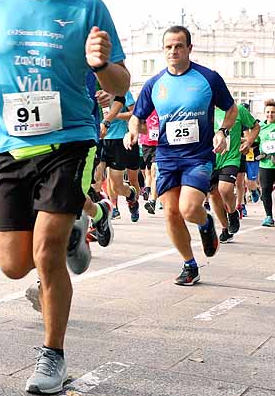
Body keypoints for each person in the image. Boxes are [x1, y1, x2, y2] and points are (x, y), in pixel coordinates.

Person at [0, 0, 129, 394]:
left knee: (46, 250)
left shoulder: (88, 7)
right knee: (14, 264)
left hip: (70, 141)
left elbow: (121, 81)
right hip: (11, 145)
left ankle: (52, 355)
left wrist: (101, 66)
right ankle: (80, 230)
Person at [129, 25, 236, 286]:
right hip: (166, 156)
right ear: (163, 50)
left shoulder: (208, 78)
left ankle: (206, 222)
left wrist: (222, 131)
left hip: (198, 156)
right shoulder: (154, 84)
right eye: (168, 46)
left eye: (179, 46)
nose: (173, 51)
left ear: (189, 48)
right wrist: (132, 131)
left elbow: (231, 109)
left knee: (189, 209)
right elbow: (136, 116)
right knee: (171, 213)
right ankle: (190, 265)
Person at [208, 98, 257, 241]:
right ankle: (225, 228)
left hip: (231, 158)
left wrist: (248, 142)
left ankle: (232, 212)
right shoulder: (204, 110)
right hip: (210, 159)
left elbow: (255, 127)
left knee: (225, 189)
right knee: (213, 194)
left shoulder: (237, 109)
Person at [99, 92, 142, 222]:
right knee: (98, 179)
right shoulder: (91, 89)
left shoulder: (121, 91)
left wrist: (114, 116)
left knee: (117, 183)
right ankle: (113, 208)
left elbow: (133, 114)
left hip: (118, 139)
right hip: (99, 138)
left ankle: (132, 197)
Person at [138, 109, 160, 214]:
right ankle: (147, 188)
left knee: (154, 170)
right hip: (146, 144)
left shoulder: (162, 105)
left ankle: (152, 201)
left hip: (159, 144)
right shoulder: (145, 107)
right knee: (149, 170)